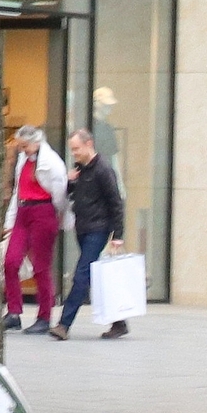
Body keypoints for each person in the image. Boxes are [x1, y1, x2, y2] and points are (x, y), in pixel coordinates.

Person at [54, 128, 128, 341]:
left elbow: (116, 203)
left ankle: (63, 324)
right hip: (83, 228)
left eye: (76, 148)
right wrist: (70, 181)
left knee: (82, 274)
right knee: (93, 277)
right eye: (72, 149)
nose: (74, 153)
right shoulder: (80, 169)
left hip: (98, 228)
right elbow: (72, 195)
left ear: (89, 144)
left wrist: (117, 235)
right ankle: (119, 322)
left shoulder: (104, 170)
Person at [2, 124, 69, 333]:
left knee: (41, 266)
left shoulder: (52, 163)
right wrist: (9, 222)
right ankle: (14, 311)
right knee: (11, 261)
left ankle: (44, 315)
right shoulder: (24, 159)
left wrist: (57, 215)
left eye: (25, 146)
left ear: (36, 142)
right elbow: (17, 192)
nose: (23, 150)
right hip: (24, 211)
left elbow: (60, 193)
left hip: (43, 212)